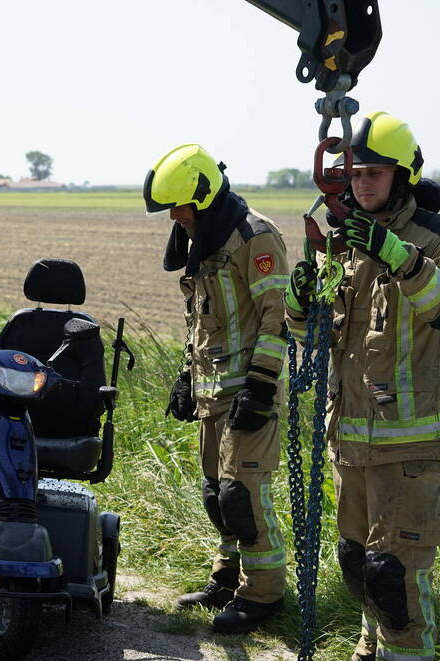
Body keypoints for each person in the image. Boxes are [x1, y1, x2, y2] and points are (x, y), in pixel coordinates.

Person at [288, 112, 440, 661]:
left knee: (395, 577)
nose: (363, 183)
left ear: (404, 176)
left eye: (375, 172)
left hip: (409, 449)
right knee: (360, 568)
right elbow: (312, 336)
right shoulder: (344, 243)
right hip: (349, 445)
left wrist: (396, 254)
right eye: (356, 173)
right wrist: (302, 299)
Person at [145, 144, 290, 634]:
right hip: (213, 394)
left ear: (203, 197)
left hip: (249, 393)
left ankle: (263, 595)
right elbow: (201, 322)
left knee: (241, 496)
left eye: (179, 206)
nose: (174, 216)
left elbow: (278, 316)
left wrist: (263, 385)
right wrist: (187, 377)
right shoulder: (202, 241)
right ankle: (226, 578)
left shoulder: (256, 237)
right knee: (216, 495)